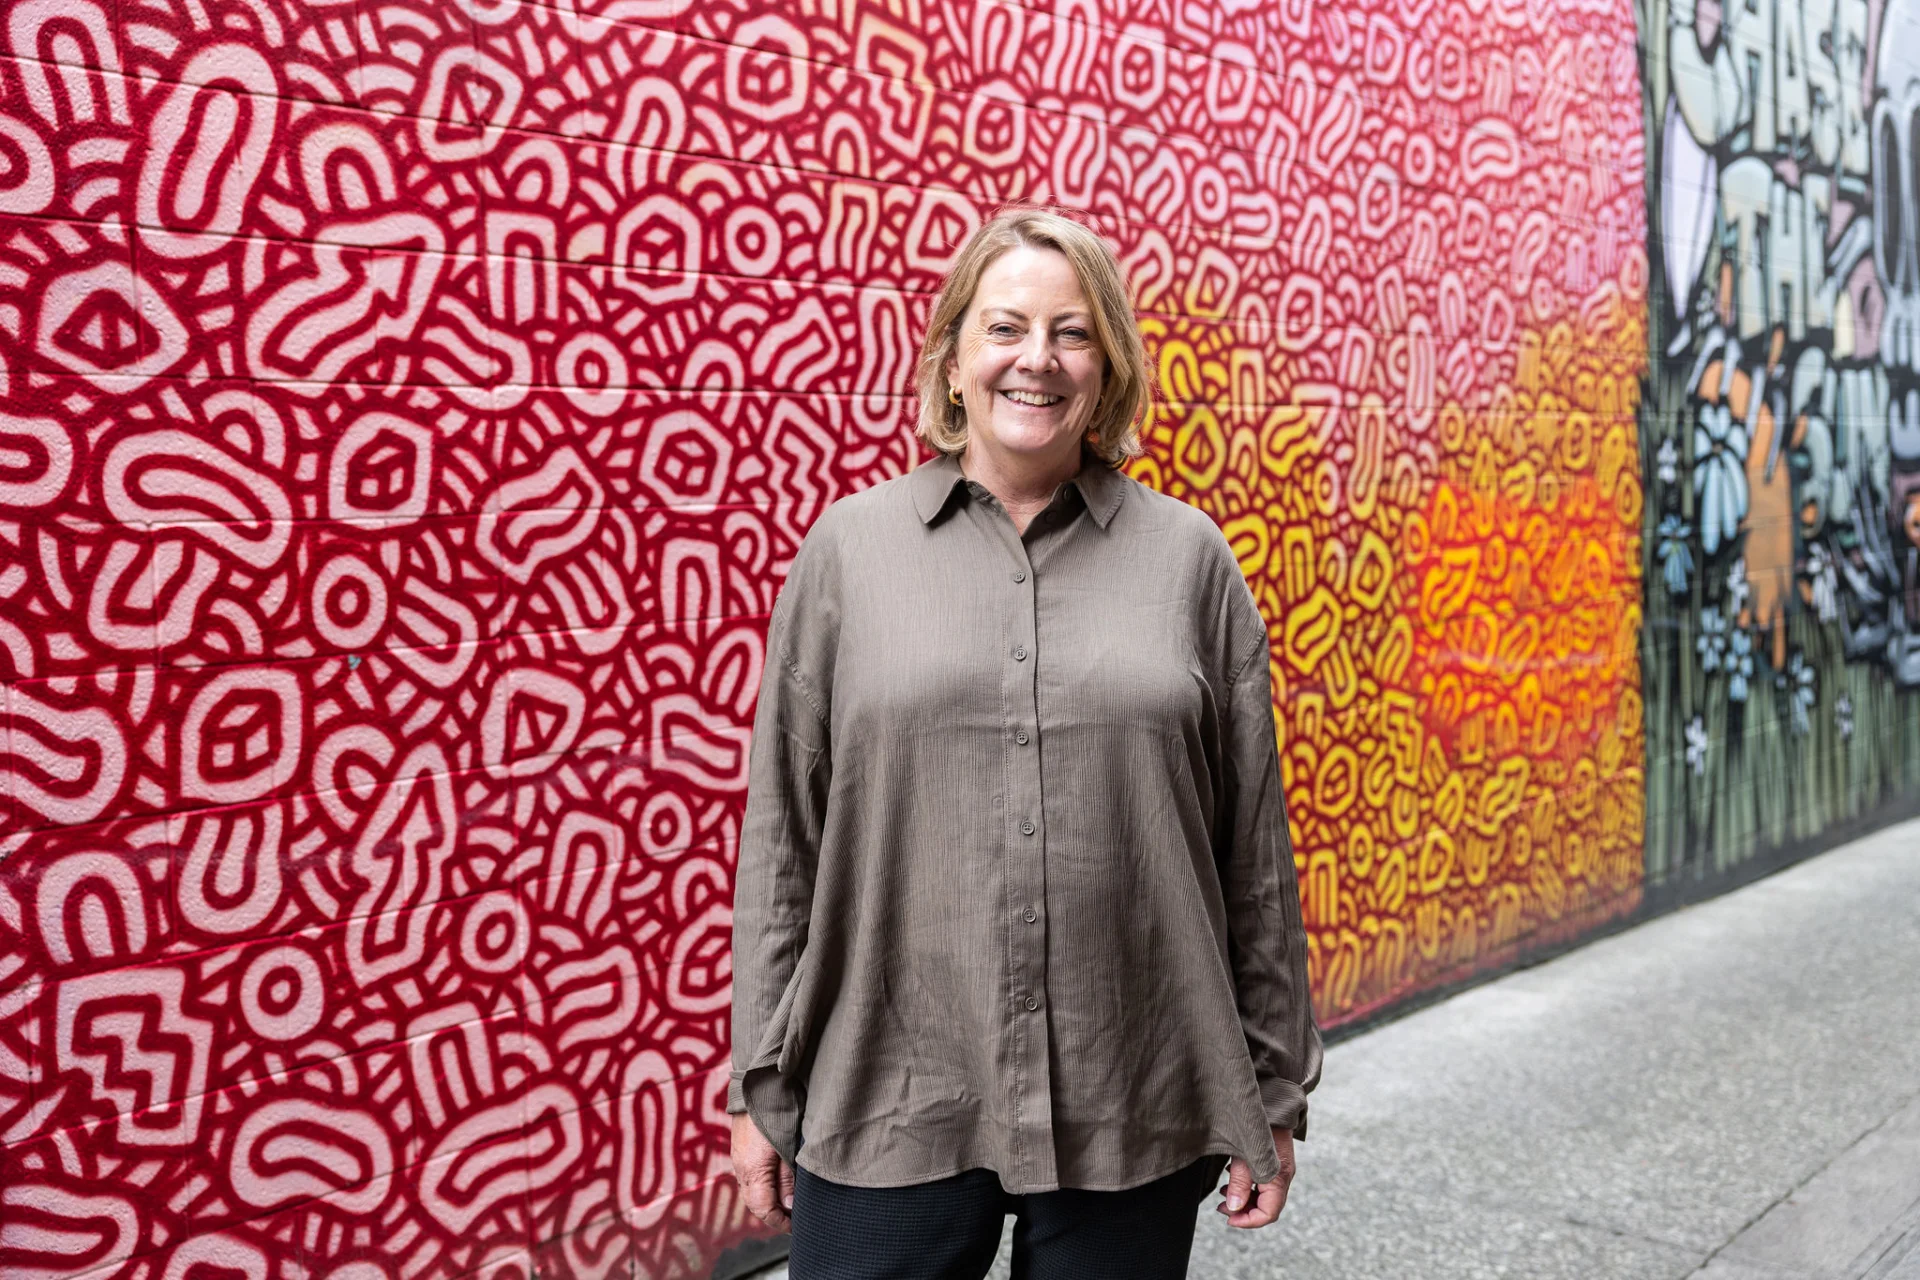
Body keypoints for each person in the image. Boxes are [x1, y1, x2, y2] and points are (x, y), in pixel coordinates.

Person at [728, 208, 1322, 1279]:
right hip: (887, 1088)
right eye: (1004, 327)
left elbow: (1252, 853)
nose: (1036, 359)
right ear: (953, 359)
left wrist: (1274, 1088)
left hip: (1133, 1083)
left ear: (1109, 366)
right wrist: (759, 1084)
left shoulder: (1189, 559)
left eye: (1071, 332)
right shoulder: (848, 554)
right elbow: (784, 843)